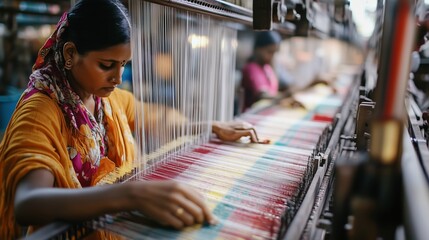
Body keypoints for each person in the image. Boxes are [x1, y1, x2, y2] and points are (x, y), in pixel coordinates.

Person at [0, 0, 263, 238]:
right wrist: (130, 194)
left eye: (124, 64)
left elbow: (156, 119)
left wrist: (211, 126)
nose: (118, 77)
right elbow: (28, 203)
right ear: (70, 54)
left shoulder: (107, 100)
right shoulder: (39, 111)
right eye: (107, 65)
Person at [241, 31, 287, 110]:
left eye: (274, 52)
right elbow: (262, 94)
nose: (272, 56)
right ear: (258, 49)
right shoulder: (251, 68)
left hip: (266, 111)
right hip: (252, 115)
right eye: (269, 52)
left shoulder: (267, 68)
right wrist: (284, 96)